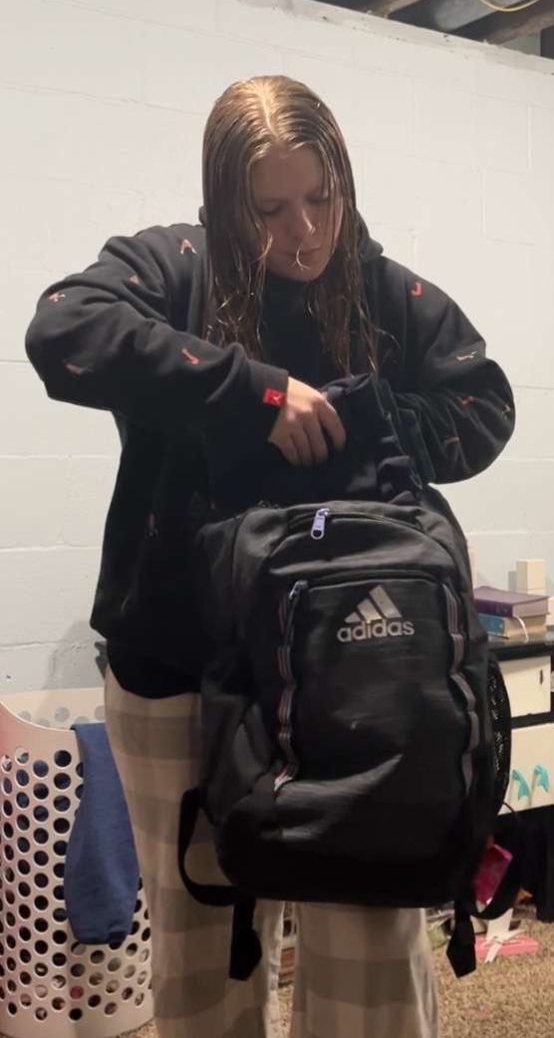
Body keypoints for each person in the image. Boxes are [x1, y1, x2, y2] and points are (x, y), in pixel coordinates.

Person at [26, 75, 515, 1038]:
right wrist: (254, 395)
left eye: (321, 197)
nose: (303, 233)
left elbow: (484, 408)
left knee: (368, 957)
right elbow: (62, 332)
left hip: (355, 672)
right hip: (176, 671)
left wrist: (362, 418)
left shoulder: (385, 292)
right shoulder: (175, 265)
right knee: (203, 966)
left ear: (345, 180)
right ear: (224, 201)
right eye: (270, 208)